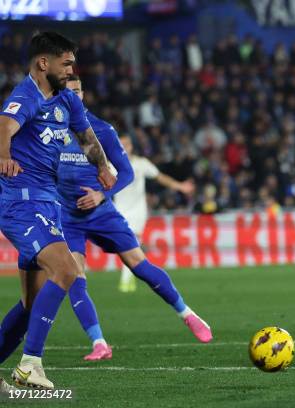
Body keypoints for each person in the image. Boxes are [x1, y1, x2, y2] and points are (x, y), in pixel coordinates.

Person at [56, 75, 211, 360]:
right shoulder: (50, 132)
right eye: (67, 92)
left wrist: (102, 195)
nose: (73, 96)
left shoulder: (100, 131)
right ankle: (99, 343)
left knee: (138, 264)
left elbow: (126, 172)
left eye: (77, 91)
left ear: (83, 94)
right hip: (66, 217)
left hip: (101, 214)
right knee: (74, 278)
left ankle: (187, 314)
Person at [0, 32, 116, 389]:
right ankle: (30, 365)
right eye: (65, 63)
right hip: (21, 202)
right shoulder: (27, 95)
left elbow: (86, 138)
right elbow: (4, 126)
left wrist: (102, 166)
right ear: (43, 63)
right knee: (67, 270)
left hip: (47, 204)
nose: (71, 70)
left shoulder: (67, 100)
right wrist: (4, 156)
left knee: (31, 304)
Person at [114, 135, 194, 292]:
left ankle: (125, 282)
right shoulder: (111, 164)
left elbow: (159, 177)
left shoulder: (141, 163)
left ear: (131, 146)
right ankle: (133, 276)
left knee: (132, 244)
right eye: (121, 144)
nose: (124, 147)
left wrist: (179, 186)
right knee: (128, 246)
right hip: (119, 210)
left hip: (138, 211)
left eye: (127, 144)